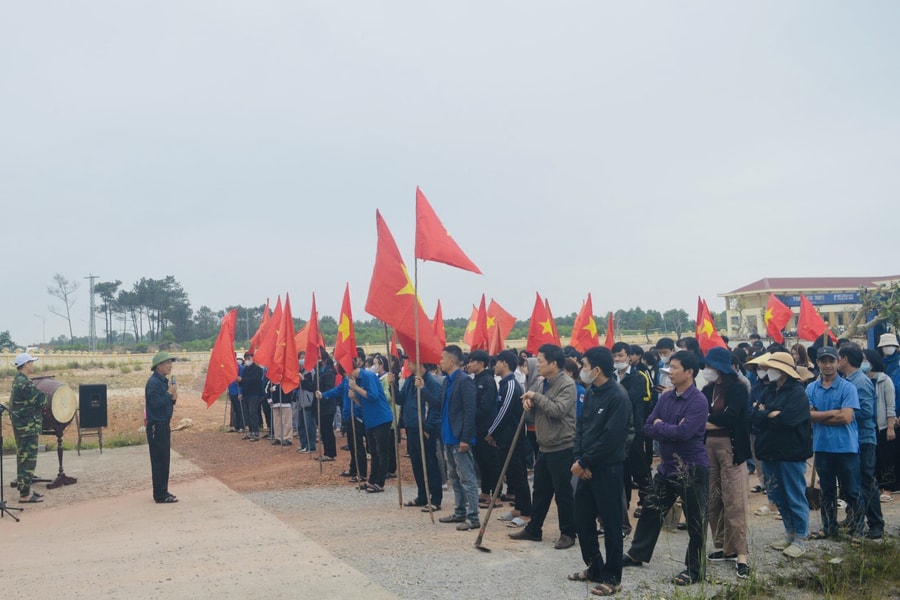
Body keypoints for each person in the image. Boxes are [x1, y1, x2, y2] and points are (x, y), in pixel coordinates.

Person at [623, 350, 709, 587]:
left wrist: (663, 427)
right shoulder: (666, 398)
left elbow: (685, 433)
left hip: (691, 469)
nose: (669, 372)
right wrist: (666, 427)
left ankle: (695, 569)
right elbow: (648, 426)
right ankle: (637, 554)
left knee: (695, 521)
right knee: (651, 509)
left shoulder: (698, 401)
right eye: (669, 367)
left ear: (689, 372)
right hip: (667, 468)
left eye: (674, 368)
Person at [567, 346, 630, 597]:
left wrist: (586, 462)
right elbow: (581, 428)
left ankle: (612, 577)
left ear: (596, 369)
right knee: (582, 519)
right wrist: (578, 459)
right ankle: (594, 567)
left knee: (611, 523)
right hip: (585, 467)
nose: (582, 370)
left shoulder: (618, 396)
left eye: (583, 365)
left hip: (607, 469)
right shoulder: (592, 392)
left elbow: (612, 438)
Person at [509, 343, 578, 550]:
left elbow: (557, 410)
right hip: (544, 445)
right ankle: (534, 529)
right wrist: (528, 405)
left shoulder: (567, 384)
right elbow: (534, 413)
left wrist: (535, 397)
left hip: (562, 446)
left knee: (563, 492)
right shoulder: (541, 383)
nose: (536, 365)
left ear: (553, 363)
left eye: (540, 361)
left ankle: (568, 532)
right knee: (540, 491)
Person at [701, 347, 751, 579]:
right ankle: (723, 546)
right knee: (713, 498)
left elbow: (731, 418)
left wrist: (706, 421)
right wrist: (709, 422)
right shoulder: (707, 389)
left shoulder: (738, 388)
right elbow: (698, 416)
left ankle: (741, 554)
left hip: (731, 448)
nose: (707, 370)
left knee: (734, 499)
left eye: (710, 366)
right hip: (708, 448)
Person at [807, 345, 860, 540]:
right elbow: (806, 415)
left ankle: (857, 529)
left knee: (852, 490)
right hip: (822, 446)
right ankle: (829, 528)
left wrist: (818, 415)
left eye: (831, 361)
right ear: (818, 363)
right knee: (827, 492)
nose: (828, 365)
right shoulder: (811, 387)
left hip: (846, 446)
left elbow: (846, 418)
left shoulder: (848, 387)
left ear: (838, 362)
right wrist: (832, 412)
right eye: (823, 361)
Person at [838, 344, 881, 539]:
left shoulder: (860, 382)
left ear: (845, 359)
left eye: (838, 358)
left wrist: (844, 412)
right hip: (852, 439)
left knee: (866, 482)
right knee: (852, 483)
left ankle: (876, 524)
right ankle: (854, 517)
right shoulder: (848, 380)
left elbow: (866, 412)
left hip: (864, 438)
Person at [436, 345, 481, 530]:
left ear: (452, 361)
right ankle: (460, 511)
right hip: (448, 436)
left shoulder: (464, 381)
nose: (440, 361)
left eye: (442, 358)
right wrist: (422, 390)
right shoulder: (448, 381)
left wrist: (465, 438)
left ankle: (473, 516)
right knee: (454, 477)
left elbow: (471, 411)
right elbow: (440, 404)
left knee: (467, 478)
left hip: (459, 438)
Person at [487, 350, 532, 524]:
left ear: (504, 363)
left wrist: (492, 432)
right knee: (512, 475)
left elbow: (504, 413)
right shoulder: (504, 384)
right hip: (505, 439)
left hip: (514, 439)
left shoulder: (511, 384)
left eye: (497, 362)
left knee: (519, 474)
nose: (495, 366)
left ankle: (526, 512)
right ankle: (518, 508)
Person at [399, 361, 443, 510]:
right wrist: (391, 385)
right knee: (417, 463)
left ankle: (436, 499)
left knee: (429, 463)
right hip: (411, 427)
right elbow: (400, 399)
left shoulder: (431, 382)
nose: (408, 366)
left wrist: (429, 427)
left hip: (425, 428)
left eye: (410, 362)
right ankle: (422, 496)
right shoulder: (410, 380)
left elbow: (437, 406)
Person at [348, 362, 394, 493]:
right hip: (370, 420)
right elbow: (361, 404)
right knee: (373, 451)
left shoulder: (368, 376)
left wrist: (356, 388)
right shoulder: (356, 380)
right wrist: (354, 398)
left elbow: (373, 396)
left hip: (381, 418)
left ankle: (380, 483)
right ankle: (371, 480)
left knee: (382, 452)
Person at [9, 353, 47, 503]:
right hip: (27, 427)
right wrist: (42, 397)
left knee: (24, 458)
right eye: (31, 362)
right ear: (25, 364)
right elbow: (41, 400)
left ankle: (25, 489)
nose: (33, 364)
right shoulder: (23, 383)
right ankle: (25, 495)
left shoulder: (20, 380)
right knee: (28, 460)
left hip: (24, 426)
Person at [146, 351, 178, 504]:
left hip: (164, 424)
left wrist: (172, 399)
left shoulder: (163, 382)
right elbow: (154, 404)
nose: (170, 366)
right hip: (156, 426)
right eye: (167, 363)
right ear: (158, 366)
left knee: (164, 460)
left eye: (170, 363)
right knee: (159, 461)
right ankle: (159, 494)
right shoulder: (153, 383)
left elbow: (164, 403)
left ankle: (163, 490)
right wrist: (168, 394)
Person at [862, 349, 896, 496]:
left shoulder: (884, 380)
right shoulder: (861, 380)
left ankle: (887, 488)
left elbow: (890, 405)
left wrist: (890, 427)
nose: (863, 363)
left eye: (865, 359)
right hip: (867, 425)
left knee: (885, 458)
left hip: (882, 425)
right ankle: (873, 487)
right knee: (870, 459)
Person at [468, 350, 500, 506]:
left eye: (472, 361)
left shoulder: (488, 381)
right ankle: (486, 492)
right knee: (481, 461)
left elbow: (486, 407)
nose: (469, 364)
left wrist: (471, 417)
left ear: (481, 363)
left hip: (486, 427)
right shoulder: (475, 380)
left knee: (491, 462)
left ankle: (496, 494)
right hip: (477, 428)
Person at [239, 352, 265, 442]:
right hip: (246, 394)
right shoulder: (245, 369)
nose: (247, 360)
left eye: (248, 358)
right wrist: (240, 383)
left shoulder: (257, 369)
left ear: (252, 358)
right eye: (246, 358)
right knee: (247, 413)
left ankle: (255, 432)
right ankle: (250, 432)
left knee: (253, 413)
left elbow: (255, 380)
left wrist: (243, 380)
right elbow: (242, 382)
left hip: (255, 394)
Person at [228, 356, 245, 433]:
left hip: (238, 391)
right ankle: (237, 426)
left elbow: (243, 380)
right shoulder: (229, 368)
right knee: (236, 409)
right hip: (232, 391)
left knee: (240, 409)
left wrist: (241, 392)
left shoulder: (240, 367)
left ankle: (242, 426)